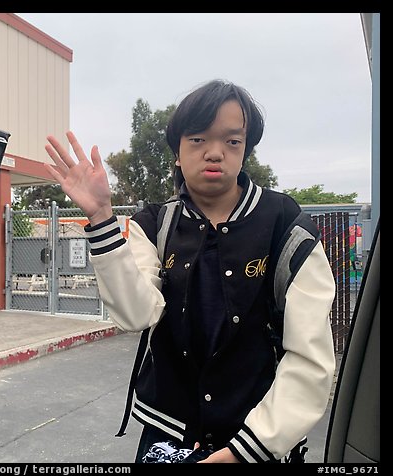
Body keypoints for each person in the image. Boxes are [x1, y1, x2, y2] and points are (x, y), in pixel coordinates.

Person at [44, 79, 336, 463]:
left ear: (245, 150)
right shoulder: (155, 223)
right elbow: (136, 314)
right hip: (167, 434)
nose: (215, 152)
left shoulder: (286, 224)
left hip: (259, 438)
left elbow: (310, 358)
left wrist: (247, 450)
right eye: (198, 139)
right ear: (178, 152)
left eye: (232, 141)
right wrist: (101, 217)